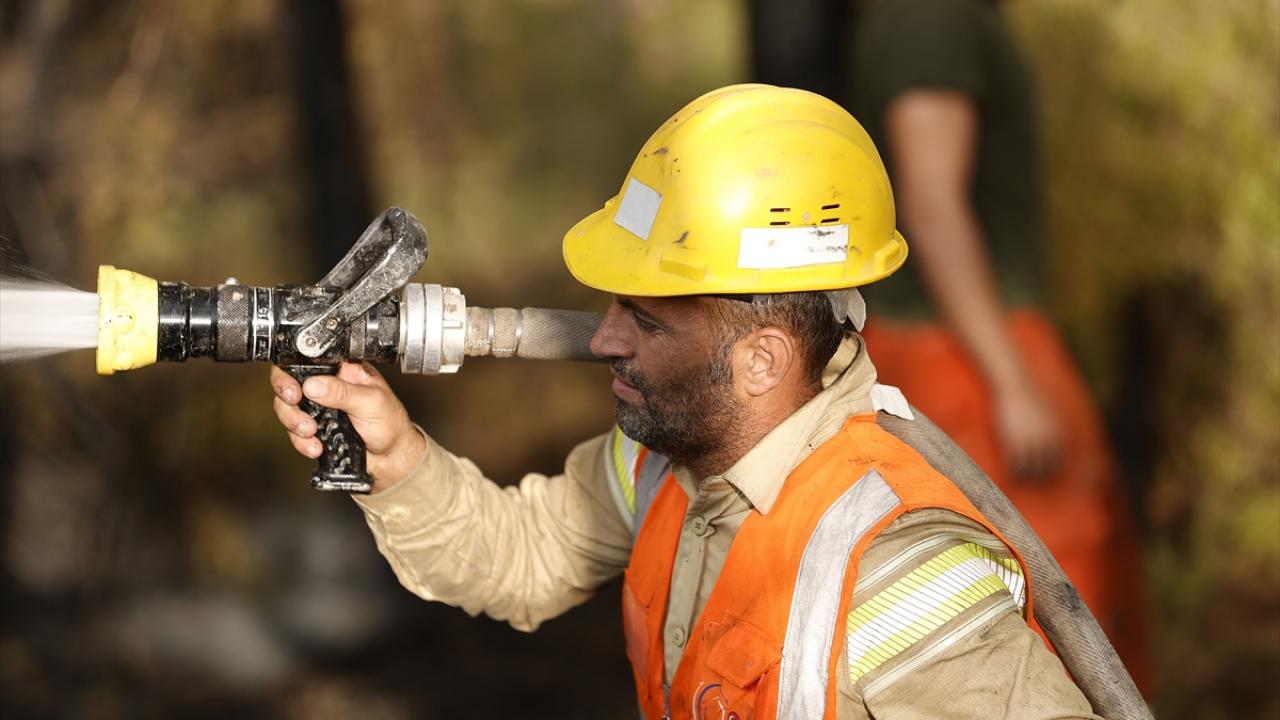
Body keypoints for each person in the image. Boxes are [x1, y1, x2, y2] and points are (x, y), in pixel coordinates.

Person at [270, 85, 1100, 719]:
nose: (602, 340)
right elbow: (519, 556)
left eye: (645, 318)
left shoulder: (894, 567)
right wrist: (397, 460)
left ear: (761, 361)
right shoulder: (663, 461)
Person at [850, 0, 1148, 685]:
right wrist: (1011, 383)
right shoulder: (930, 19)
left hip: (963, 344)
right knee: (1052, 629)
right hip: (960, 360)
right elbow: (931, 203)